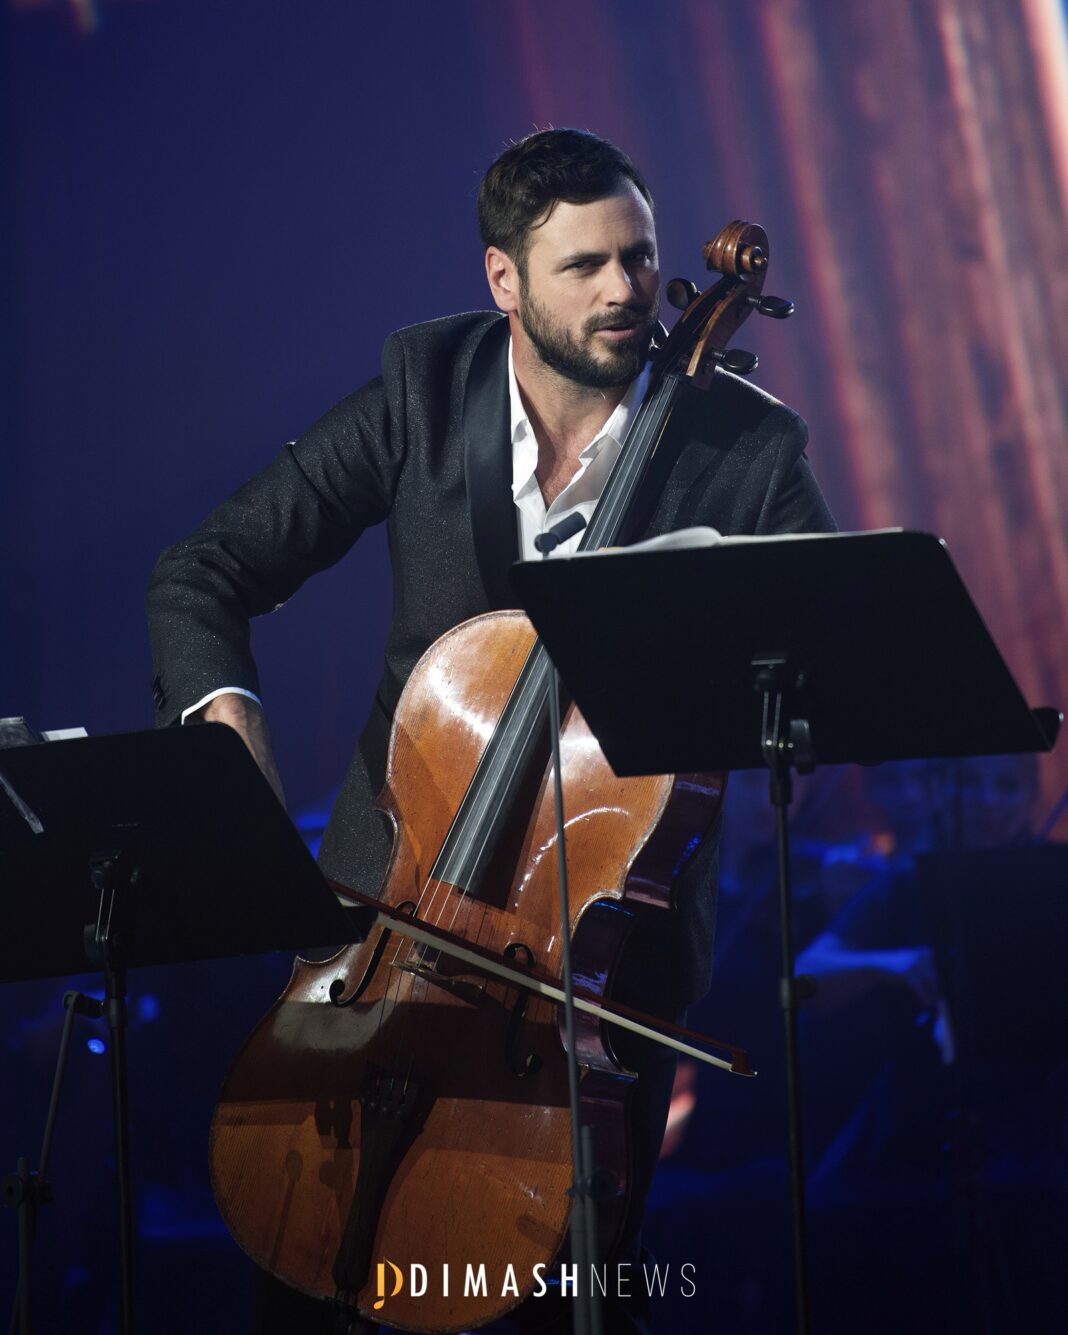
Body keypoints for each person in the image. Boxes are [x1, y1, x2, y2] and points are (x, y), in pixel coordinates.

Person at [146, 128, 835, 1333]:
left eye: (640, 258)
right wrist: (226, 732)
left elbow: (826, 689)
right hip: (385, 924)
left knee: (545, 1300)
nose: (625, 291)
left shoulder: (750, 448)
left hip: (589, 971)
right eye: (584, 267)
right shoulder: (423, 393)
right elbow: (200, 574)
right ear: (503, 279)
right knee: (305, 1281)